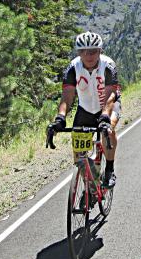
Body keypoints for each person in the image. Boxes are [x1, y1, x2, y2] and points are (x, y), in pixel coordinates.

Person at [48, 31, 121, 188]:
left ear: (100, 51)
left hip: (109, 106)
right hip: (85, 109)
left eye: (93, 51)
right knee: (79, 157)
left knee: (108, 131)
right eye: (84, 51)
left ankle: (109, 169)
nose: (89, 55)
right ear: (79, 52)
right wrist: (60, 117)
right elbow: (67, 96)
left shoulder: (108, 65)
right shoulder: (73, 68)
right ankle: (91, 187)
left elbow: (110, 95)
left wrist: (104, 117)